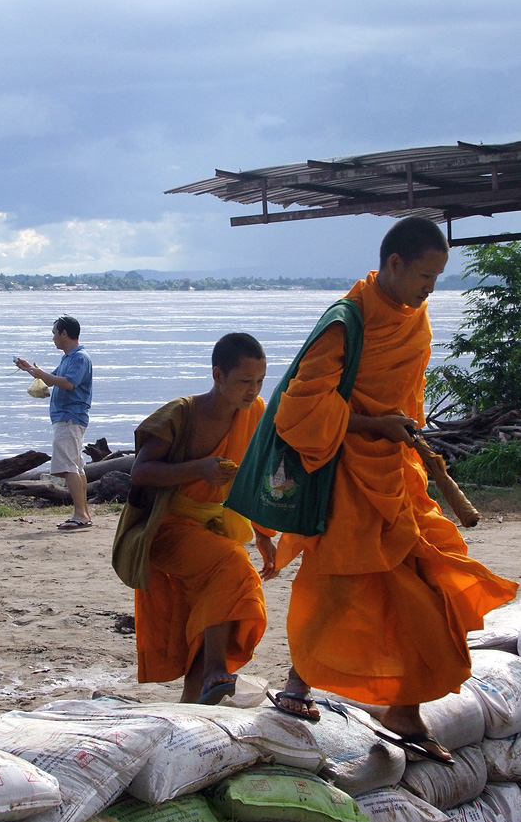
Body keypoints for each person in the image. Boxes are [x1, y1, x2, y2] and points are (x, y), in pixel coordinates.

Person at [269, 217, 517, 764]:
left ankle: (401, 707)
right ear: (395, 263)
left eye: (439, 277)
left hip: (395, 473)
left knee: (430, 579)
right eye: (426, 276)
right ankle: (300, 688)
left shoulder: (414, 318)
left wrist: (405, 436)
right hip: (346, 476)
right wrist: (373, 427)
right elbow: (299, 410)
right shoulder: (346, 322)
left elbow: (409, 392)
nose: (432, 288)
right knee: (339, 584)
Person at [114, 332, 278, 705]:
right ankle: (216, 669)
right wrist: (198, 470)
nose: (252, 391)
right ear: (218, 375)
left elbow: (256, 473)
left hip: (212, 525)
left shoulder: (255, 413)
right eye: (243, 382)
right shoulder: (182, 414)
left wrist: (264, 533)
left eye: (259, 382)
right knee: (233, 564)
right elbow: (141, 472)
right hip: (166, 527)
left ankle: (196, 698)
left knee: (215, 601)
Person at [16, 314, 93, 531]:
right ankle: (83, 513)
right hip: (67, 417)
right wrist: (30, 370)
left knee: (69, 466)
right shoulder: (69, 358)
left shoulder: (79, 358)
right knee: (76, 466)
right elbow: (51, 378)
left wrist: (40, 372)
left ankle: (80, 515)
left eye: (54, 334)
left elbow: (68, 383)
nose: (53, 339)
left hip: (70, 417)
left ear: (64, 333)